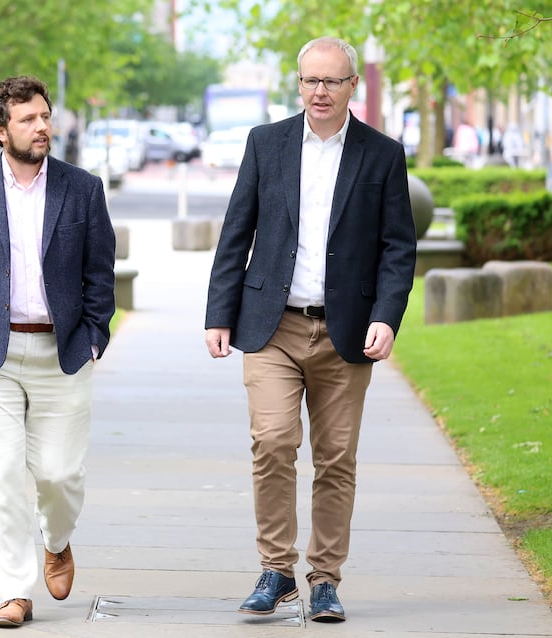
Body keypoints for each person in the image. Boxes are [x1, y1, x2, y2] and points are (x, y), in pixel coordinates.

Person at [204, 37, 416, 624]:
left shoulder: (382, 155)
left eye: (331, 81)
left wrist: (386, 315)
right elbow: (235, 233)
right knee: (272, 443)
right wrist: (218, 314)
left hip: (347, 332)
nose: (319, 92)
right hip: (271, 327)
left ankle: (325, 579)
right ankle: (277, 569)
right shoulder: (265, 144)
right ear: (298, 85)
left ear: (353, 86)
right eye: (309, 81)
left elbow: (399, 248)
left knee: (336, 458)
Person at [0, 75, 116, 628]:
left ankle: (57, 540)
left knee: (59, 474)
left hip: (61, 354)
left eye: (45, 116)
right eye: (29, 120)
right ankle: (13, 589)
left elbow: (99, 274)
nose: (43, 127)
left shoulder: (81, 188)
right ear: (0, 130)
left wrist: (93, 337)